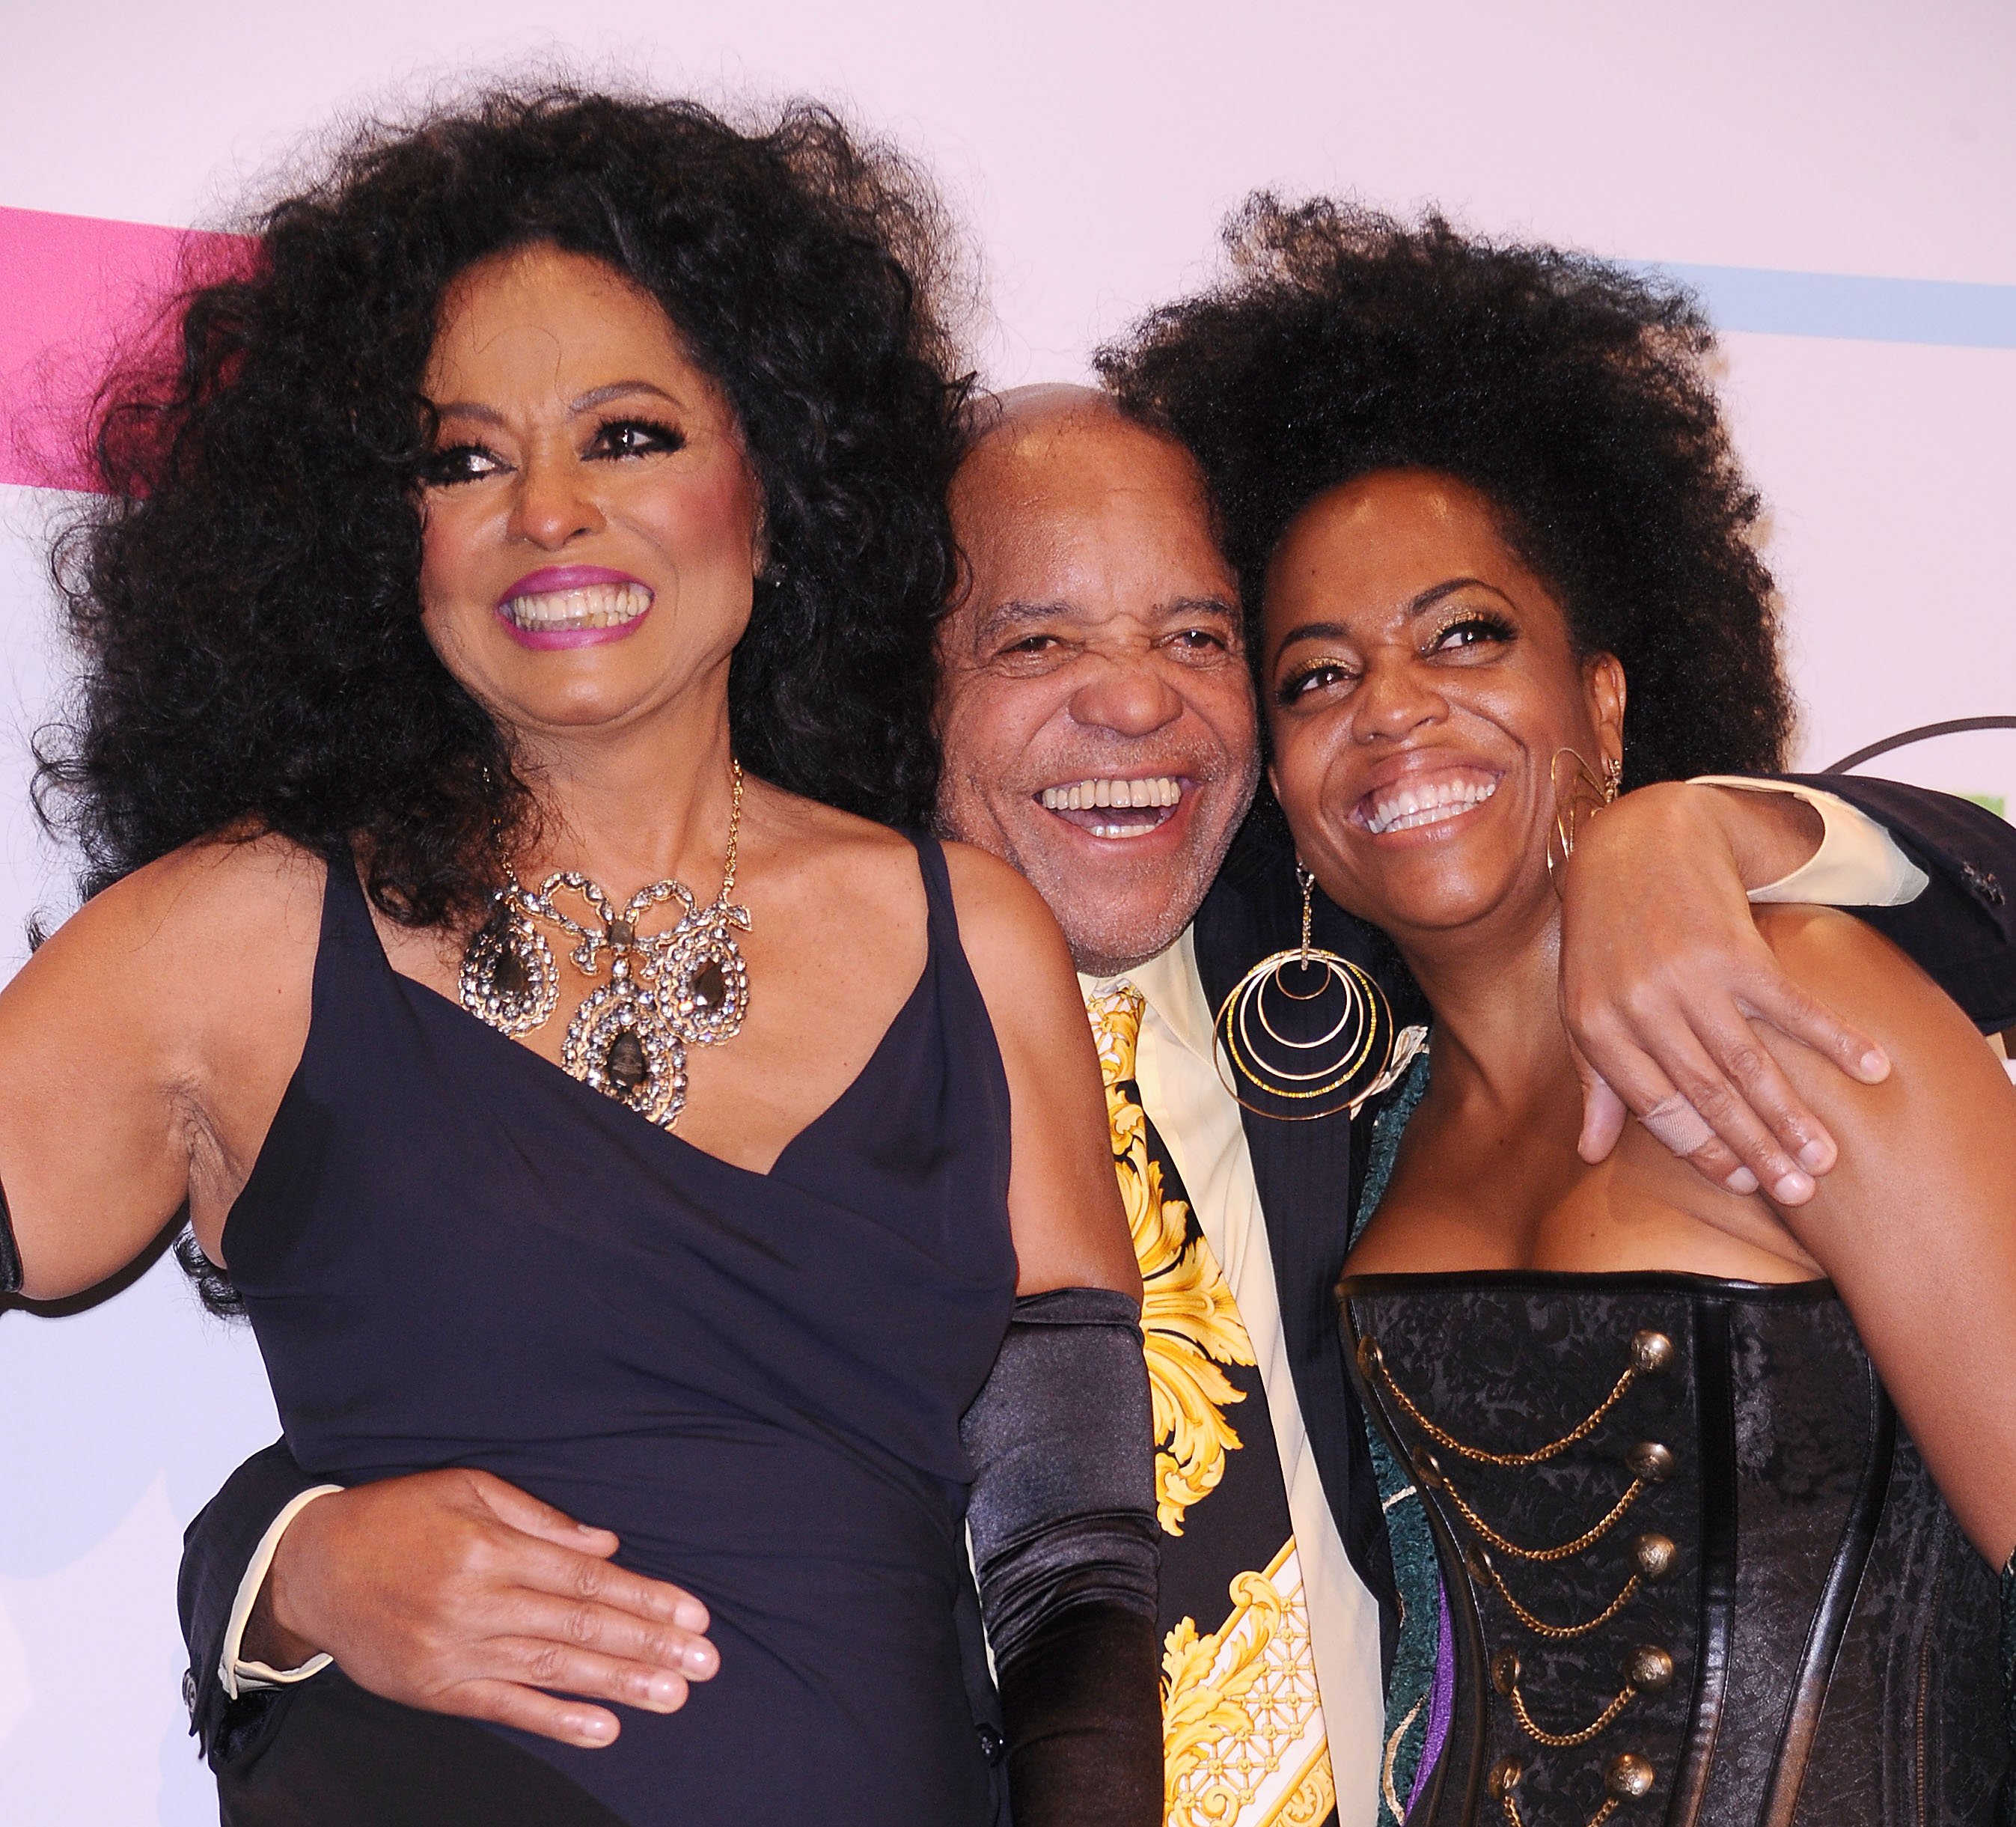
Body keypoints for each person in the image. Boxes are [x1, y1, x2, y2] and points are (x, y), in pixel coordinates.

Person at [178, 341, 2016, 1827]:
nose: (1135, 706)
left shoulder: (1394, 970)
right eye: (1038, 640)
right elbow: (527, 1357)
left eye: (1200, 637)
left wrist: (1734, 815)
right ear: (902, 689)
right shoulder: (766, 1061)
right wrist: (290, 1565)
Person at [0, 90, 1166, 1827]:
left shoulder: (973, 938)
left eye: (624, 436)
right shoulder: (234, 936)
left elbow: (1071, 1541)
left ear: (773, 486)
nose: (546, 511)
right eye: (461, 459)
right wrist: (290, 1574)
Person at [1106, 197, 2016, 1822]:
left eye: (1465, 636)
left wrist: (1731, 819)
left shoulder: (1799, 990)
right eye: (1317, 675)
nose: (1393, 710)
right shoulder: (1364, 1128)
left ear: (1601, 701)